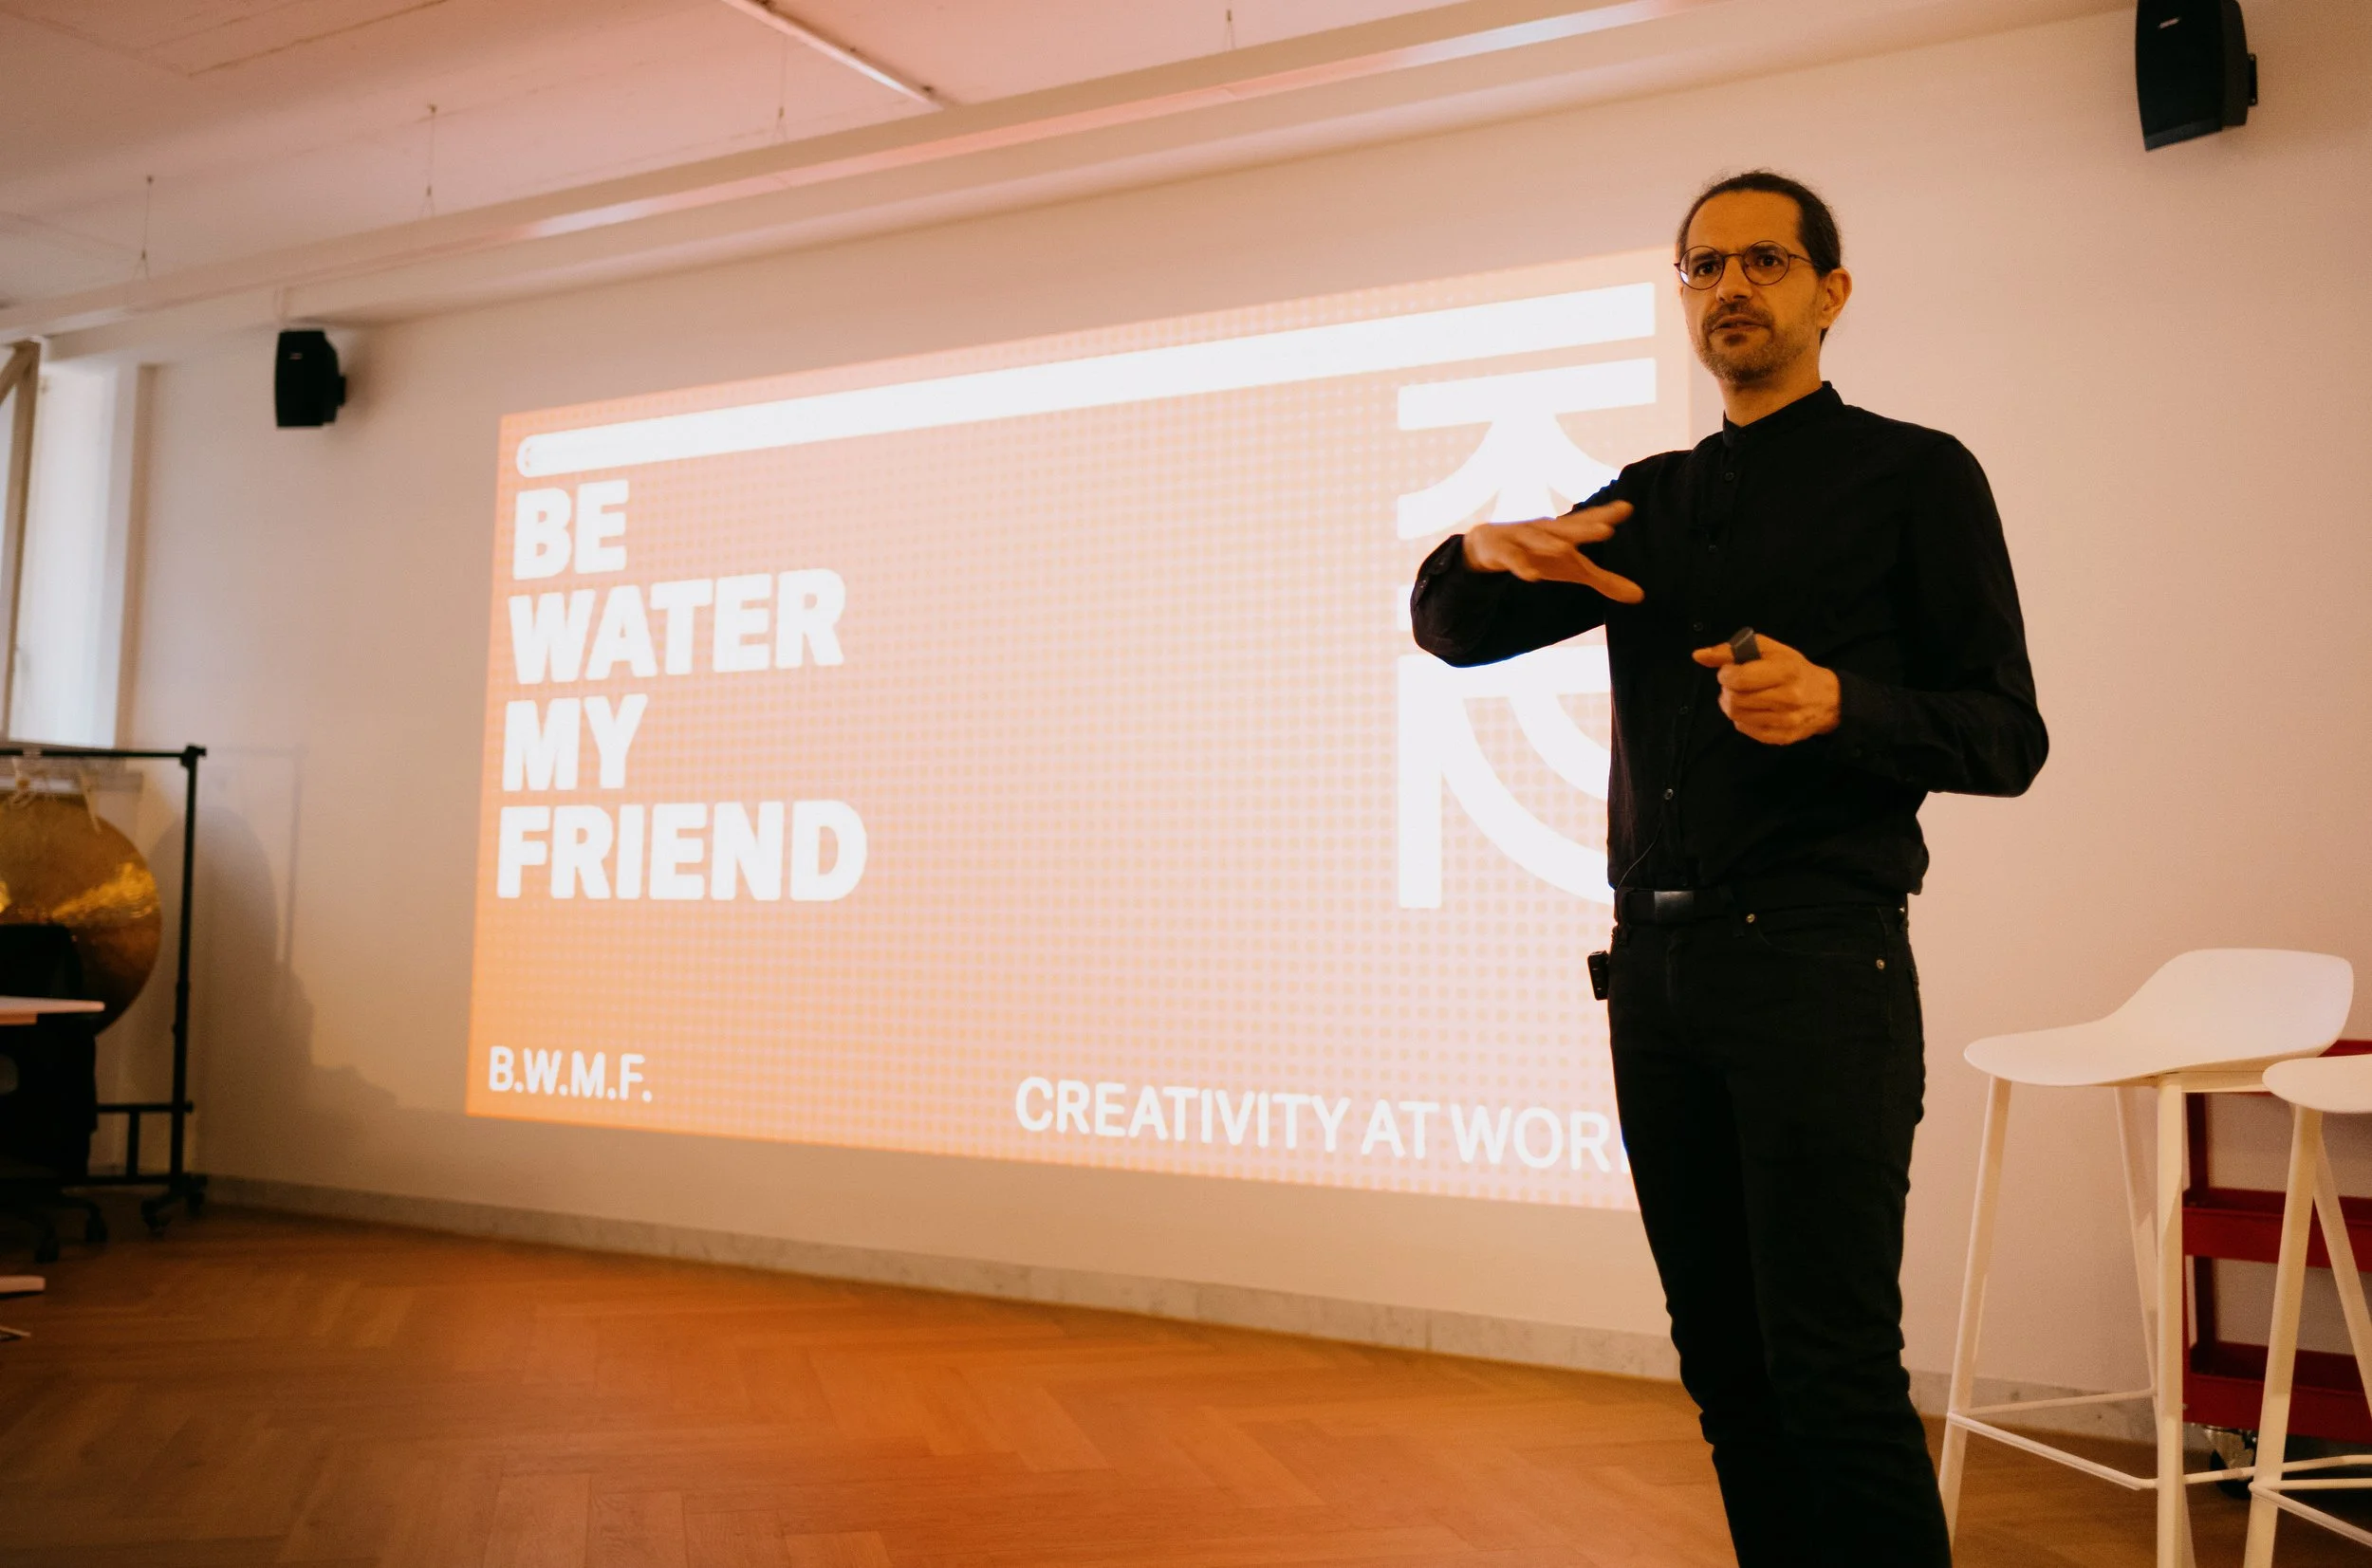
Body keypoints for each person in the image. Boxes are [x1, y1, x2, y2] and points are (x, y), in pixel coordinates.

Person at [1410, 170, 2047, 1566]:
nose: (1730, 287)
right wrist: (1468, 551)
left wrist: (1848, 708)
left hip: (1821, 965)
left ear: (1831, 290)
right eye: (1703, 267)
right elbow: (1455, 632)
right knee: (1726, 1371)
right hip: (1657, 975)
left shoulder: (1913, 476)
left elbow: (2009, 735)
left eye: (1764, 260)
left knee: (1830, 1373)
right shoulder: (1653, 501)